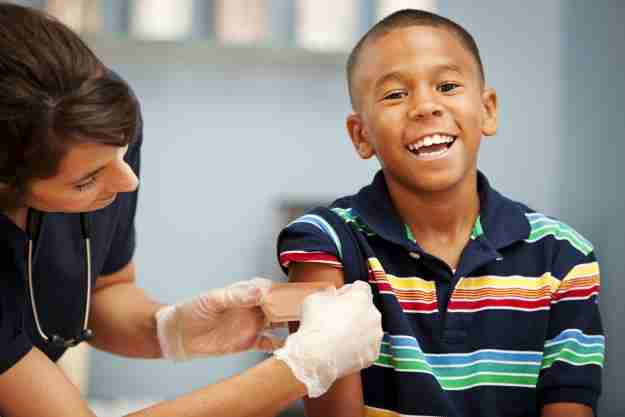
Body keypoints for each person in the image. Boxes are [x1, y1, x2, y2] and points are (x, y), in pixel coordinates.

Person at [0, 4, 384, 417]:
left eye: (123, 149)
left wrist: (170, 329)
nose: (127, 181)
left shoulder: (99, 124)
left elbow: (103, 293)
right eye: (86, 180)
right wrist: (302, 369)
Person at [277, 9, 604, 417]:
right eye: (395, 94)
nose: (425, 106)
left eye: (447, 86)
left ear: (488, 109)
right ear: (361, 135)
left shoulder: (564, 255)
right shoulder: (324, 243)